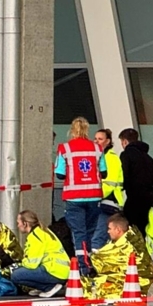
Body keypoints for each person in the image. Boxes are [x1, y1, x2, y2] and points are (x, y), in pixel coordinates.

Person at [56, 117, 107, 275]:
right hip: (94, 197)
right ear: (87, 130)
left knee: (79, 233)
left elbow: (59, 174)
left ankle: (84, 268)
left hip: (74, 197)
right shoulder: (97, 148)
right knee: (90, 231)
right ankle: (91, 263)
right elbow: (104, 173)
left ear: (72, 130)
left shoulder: (65, 148)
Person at [85, 214, 153, 300]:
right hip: (140, 284)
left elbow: (109, 259)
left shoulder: (126, 245)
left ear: (118, 230)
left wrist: (93, 257)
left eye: (110, 229)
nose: (108, 231)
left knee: (91, 286)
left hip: (136, 284)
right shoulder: (131, 240)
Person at [9, 209, 70, 297]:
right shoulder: (42, 231)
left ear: (25, 223)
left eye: (18, 223)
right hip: (61, 271)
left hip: (54, 271)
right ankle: (47, 287)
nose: (18, 226)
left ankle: (49, 287)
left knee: (15, 275)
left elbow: (32, 264)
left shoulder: (35, 237)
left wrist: (20, 264)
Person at [117, 128, 153, 240]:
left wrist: (123, 188)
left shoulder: (126, 155)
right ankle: (140, 254)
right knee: (141, 231)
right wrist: (151, 196)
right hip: (147, 199)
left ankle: (132, 256)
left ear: (125, 141)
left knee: (128, 229)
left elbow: (124, 176)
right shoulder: (148, 158)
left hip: (134, 198)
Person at [95, 128, 124, 250]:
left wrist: (94, 195)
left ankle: (96, 264)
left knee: (98, 237)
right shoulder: (98, 156)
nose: (96, 141)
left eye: (100, 139)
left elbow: (108, 184)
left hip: (108, 202)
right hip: (100, 201)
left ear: (108, 141)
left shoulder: (111, 158)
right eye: (95, 138)